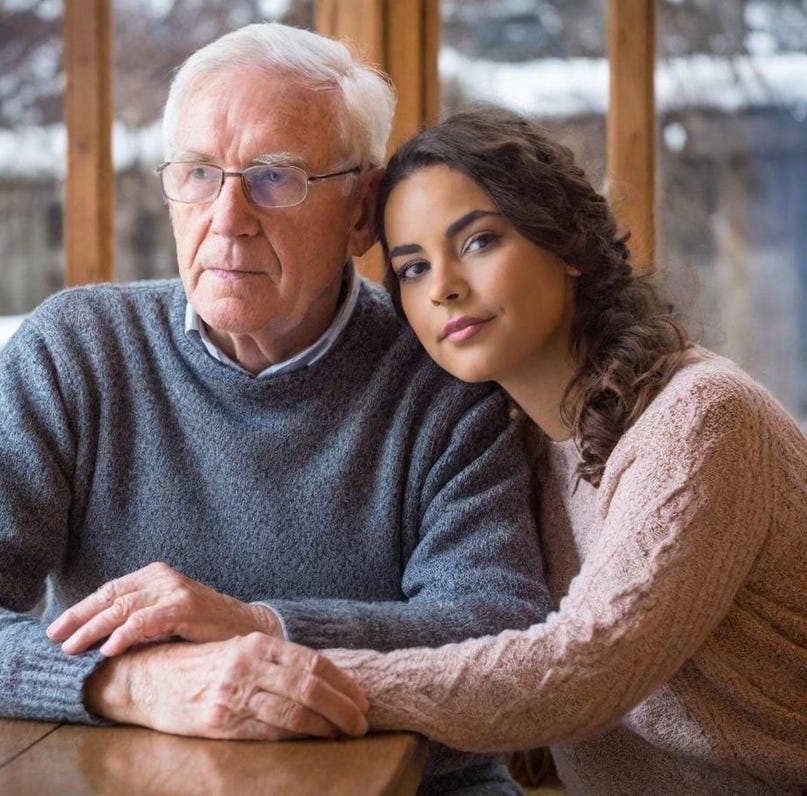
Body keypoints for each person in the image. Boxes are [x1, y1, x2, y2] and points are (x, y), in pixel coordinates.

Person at [0, 26, 550, 794]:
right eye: (199, 173)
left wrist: (260, 628)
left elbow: (499, 630)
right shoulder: (78, 351)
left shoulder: (444, 372)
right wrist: (134, 684)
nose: (228, 216)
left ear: (360, 212)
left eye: (274, 177)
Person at [319, 106, 807, 794]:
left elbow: (583, 667)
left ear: (570, 244)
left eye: (479, 241)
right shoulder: (509, 438)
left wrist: (303, 682)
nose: (444, 287)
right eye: (412, 268)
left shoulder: (700, 419)